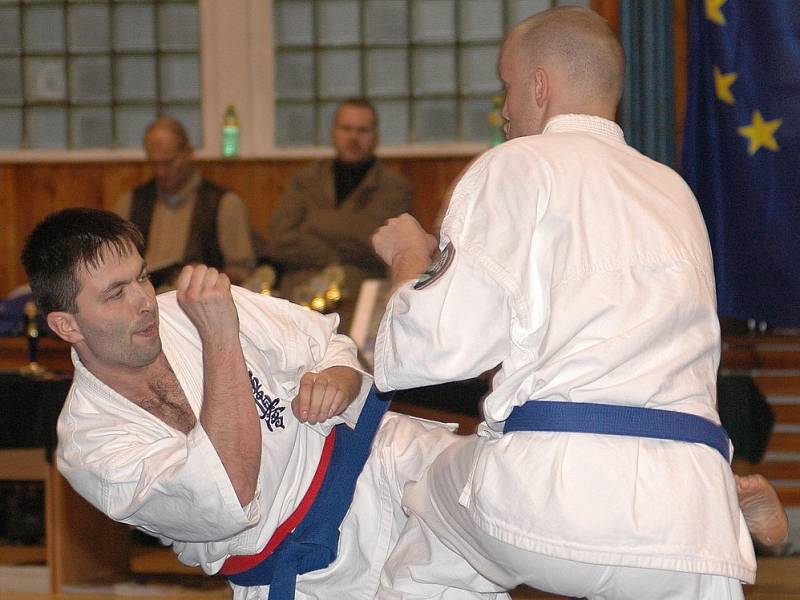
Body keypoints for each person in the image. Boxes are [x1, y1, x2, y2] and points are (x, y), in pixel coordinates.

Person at [371, 7, 770, 599]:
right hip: (693, 515)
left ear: (539, 86)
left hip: (554, 496)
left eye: (507, 88)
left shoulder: (517, 165)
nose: (504, 109)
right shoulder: (674, 190)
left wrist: (409, 258)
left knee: (423, 496)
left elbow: (432, 352)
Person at [20, 208, 459, 600]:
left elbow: (326, 342)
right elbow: (229, 491)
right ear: (66, 325)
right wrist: (220, 336)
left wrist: (338, 379)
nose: (144, 302)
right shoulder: (91, 443)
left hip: (384, 470)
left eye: (141, 277)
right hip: (303, 575)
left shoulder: (188, 307)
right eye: (116, 294)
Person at [264, 99, 411, 330]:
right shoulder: (305, 180)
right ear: (334, 133)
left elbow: (375, 240)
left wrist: (313, 222)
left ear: (375, 136)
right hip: (299, 296)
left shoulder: (393, 186)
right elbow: (279, 240)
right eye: (346, 128)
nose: (353, 137)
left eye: (362, 130)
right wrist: (337, 253)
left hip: (358, 298)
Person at [115, 117, 256, 288]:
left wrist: (206, 276)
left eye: (168, 163)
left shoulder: (224, 204)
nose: (160, 172)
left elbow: (242, 271)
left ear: (188, 153)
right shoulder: (131, 202)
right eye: (154, 164)